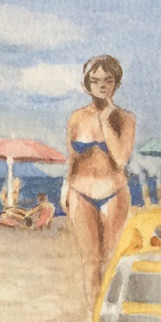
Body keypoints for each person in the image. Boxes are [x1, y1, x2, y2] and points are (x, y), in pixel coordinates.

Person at [63, 55, 136, 303]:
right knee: (90, 261)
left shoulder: (125, 119)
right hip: (80, 191)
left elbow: (121, 158)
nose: (102, 86)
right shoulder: (76, 118)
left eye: (108, 80)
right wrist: (66, 188)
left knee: (110, 260)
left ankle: (109, 312)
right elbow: (72, 159)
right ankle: (94, 316)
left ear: (116, 83)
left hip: (113, 192)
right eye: (95, 80)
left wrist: (105, 121)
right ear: (87, 84)